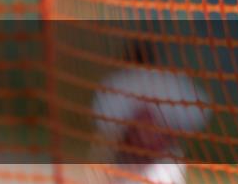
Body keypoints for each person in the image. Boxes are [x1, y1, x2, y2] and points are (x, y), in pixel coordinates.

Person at [85, 41, 212, 184]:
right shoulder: (171, 81)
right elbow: (201, 112)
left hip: (128, 163)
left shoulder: (117, 82)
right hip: (164, 164)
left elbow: (106, 129)